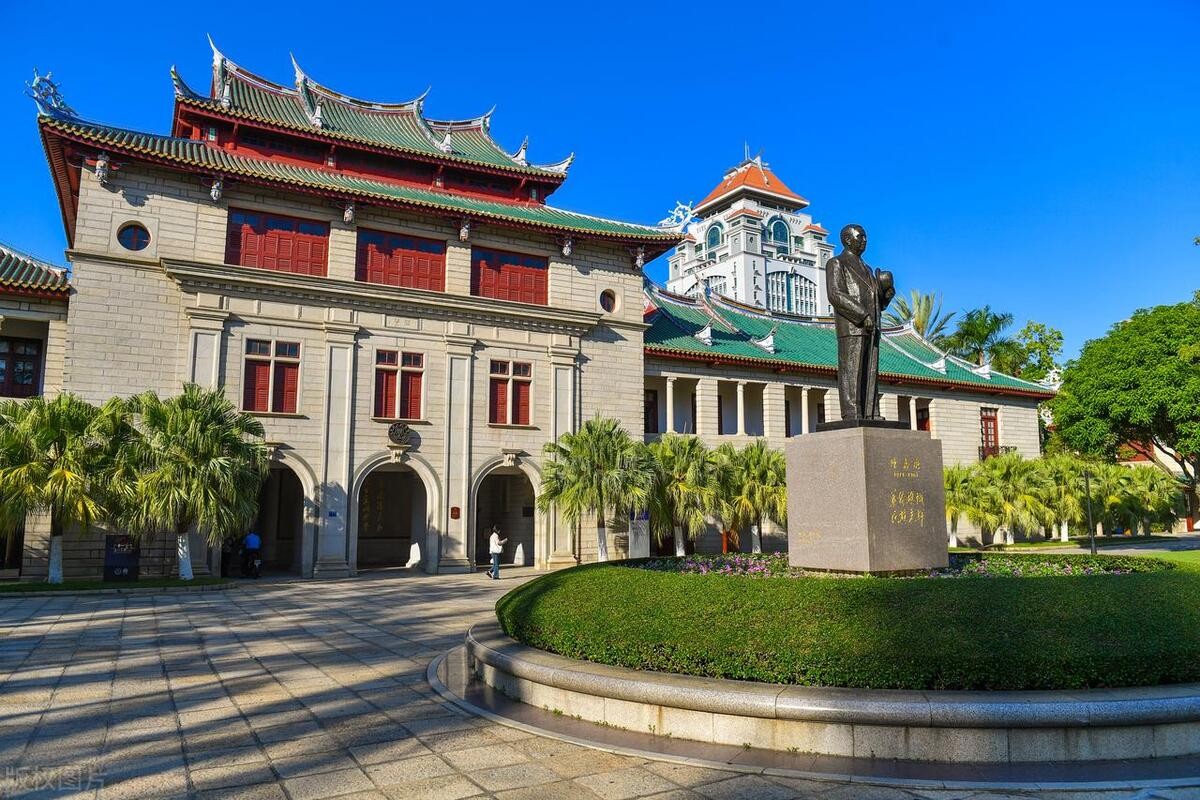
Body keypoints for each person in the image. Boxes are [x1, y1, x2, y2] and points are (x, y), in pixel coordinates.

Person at [826, 224, 895, 422]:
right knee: (852, 370)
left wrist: (886, 295)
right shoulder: (837, 263)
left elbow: (876, 301)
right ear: (847, 240)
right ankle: (852, 412)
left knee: (870, 371)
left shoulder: (868, 269)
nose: (865, 240)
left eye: (865, 237)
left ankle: (870, 412)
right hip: (852, 326)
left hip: (872, 327)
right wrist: (863, 315)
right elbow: (836, 294)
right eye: (860, 236)